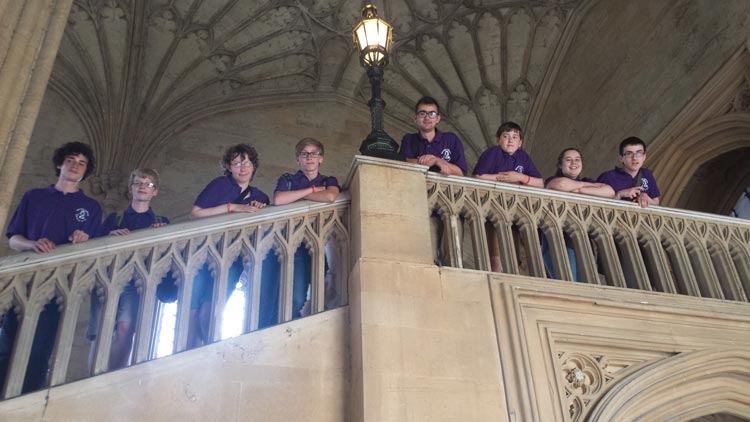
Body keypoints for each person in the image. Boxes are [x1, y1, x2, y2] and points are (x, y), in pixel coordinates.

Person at [1, 141, 101, 393]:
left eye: (81, 163)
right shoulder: (34, 197)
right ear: (59, 163)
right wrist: (33, 243)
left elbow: (96, 250)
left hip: (61, 284)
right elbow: (13, 238)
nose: (75, 166)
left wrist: (83, 240)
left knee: (42, 348)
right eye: (70, 160)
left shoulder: (91, 207)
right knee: (7, 344)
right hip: (25, 279)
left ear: (86, 170)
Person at [87, 169, 169, 371]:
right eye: (138, 183)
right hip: (108, 279)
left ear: (155, 192)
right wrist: (110, 237)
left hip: (137, 283)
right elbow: (93, 249)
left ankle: (112, 377)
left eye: (148, 184)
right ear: (130, 188)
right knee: (99, 332)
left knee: (126, 328)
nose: (142, 187)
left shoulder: (162, 222)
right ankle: (91, 378)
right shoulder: (114, 219)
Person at [188, 144, 269, 348]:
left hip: (233, 257)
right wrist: (232, 207)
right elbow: (196, 213)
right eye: (237, 163)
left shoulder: (260, 196)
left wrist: (261, 209)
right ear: (228, 166)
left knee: (212, 307)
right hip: (205, 250)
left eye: (247, 163)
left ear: (254, 167)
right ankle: (193, 352)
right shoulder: (220, 185)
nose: (243, 168)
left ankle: (211, 350)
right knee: (192, 309)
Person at [273, 138, 340, 321]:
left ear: (321, 159)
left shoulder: (328, 180)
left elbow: (331, 195)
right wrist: (311, 190)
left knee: (323, 297)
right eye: (304, 153)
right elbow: (278, 200)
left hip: (322, 245)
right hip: (294, 245)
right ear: (298, 160)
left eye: (314, 153)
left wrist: (296, 196)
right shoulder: (287, 179)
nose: (309, 157)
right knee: (295, 298)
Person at [473, 122, 544, 272]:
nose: (510, 140)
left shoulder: (523, 157)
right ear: (498, 140)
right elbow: (478, 177)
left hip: (516, 211)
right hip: (494, 208)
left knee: (514, 260)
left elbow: (540, 183)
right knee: (496, 259)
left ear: (520, 143)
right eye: (506, 136)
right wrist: (505, 178)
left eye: (514, 137)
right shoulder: (493, 152)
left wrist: (520, 177)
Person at [544, 148, 615, 280]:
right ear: (560, 164)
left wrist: (579, 190)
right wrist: (587, 187)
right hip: (560, 238)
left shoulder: (587, 180)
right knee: (568, 280)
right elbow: (561, 184)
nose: (573, 163)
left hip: (583, 239)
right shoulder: (552, 179)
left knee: (587, 282)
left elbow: (609, 192)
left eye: (577, 159)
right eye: (568, 159)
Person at [399, 96, 468, 176]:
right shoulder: (409, 139)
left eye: (432, 114)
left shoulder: (451, 139)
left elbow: (461, 172)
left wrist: (437, 160)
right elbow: (403, 164)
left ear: (438, 118)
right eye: (422, 113)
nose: (427, 118)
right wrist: (432, 161)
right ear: (415, 118)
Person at [597, 136, 661, 208]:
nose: (634, 158)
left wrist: (645, 197)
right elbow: (598, 206)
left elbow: (656, 203)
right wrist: (619, 195)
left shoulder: (647, 174)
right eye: (629, 154)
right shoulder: (608, 177)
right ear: (621, 158)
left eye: (639, 153)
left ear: (644, 156)